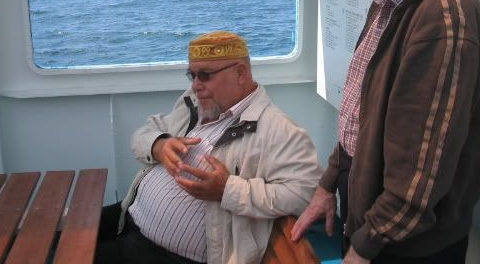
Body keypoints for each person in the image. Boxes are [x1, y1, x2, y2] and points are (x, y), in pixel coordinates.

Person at [291, 0, 480, 264]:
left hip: (406, 247)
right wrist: (328, 185)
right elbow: (361, 117)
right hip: (375, 226)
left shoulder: (442, 20)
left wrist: (363, 248)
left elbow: (420, 174)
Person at [96, 30, 322, 264]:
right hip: (127, 216)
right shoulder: (196, 102)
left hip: (164, 255)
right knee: (72, 231)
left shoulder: (279, 130)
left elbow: (306, 194)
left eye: (205, 75)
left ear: (240, 73)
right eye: (192, 75)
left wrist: (227, 190)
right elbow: (148, 129)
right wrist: (159, 146)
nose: (195, 85)